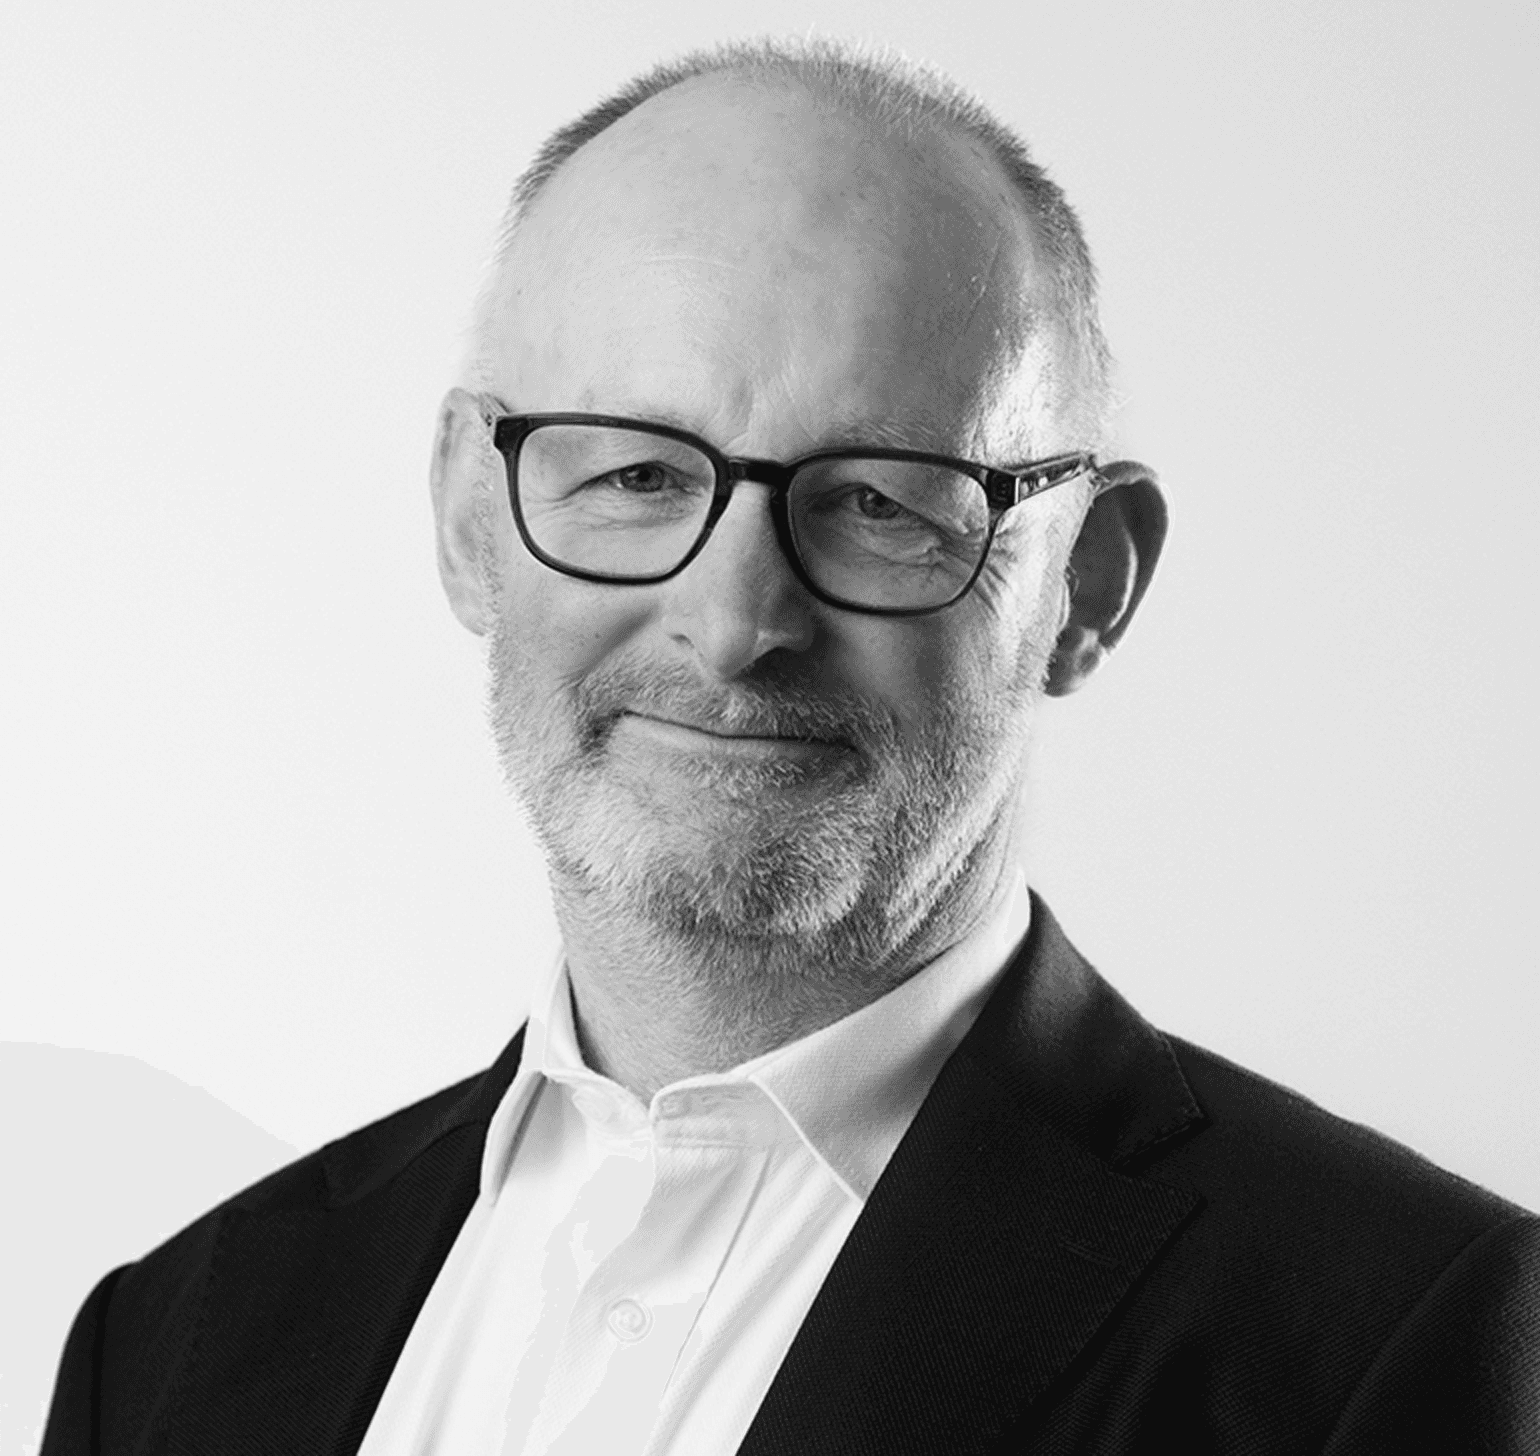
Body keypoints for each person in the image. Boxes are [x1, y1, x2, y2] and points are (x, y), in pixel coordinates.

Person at [42, 38, 1539, 1455]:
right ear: (468, 519)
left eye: (879, 502)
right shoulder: (168, 1344)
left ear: (1087, 584)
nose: (733, 622)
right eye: (636, 475)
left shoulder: (1394, 1341)